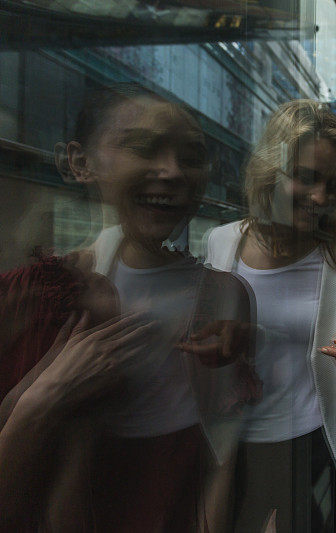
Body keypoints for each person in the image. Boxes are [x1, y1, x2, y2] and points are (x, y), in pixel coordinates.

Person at [0, 83, 253, 531]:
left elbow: (222, 457)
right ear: (80, 163)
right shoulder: (28, 296)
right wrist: (44, 399)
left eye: (191, 156)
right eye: (144, 147)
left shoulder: (225, 297)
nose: (172, 172)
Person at [204, 99, 336, 532]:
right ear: (272, 170)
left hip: (317, 446)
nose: (320, 197)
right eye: (306, 178)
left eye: (331, 185)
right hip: (234, 445)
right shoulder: (221, 244)